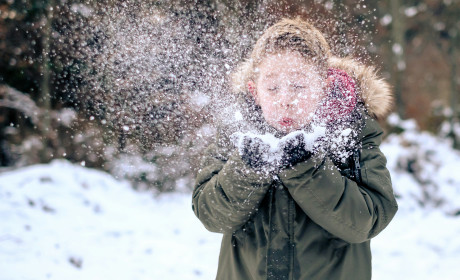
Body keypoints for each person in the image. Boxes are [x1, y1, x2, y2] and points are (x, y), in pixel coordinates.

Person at [192, 18, 398, 280]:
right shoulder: (238, 132)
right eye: (272, 87)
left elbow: (366, 221)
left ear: (323, 88)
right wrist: (248, 168)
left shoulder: (351, 130)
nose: (286, 100)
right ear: (255, 92)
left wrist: (307, 167)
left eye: (299, 86)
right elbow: (211, 216)